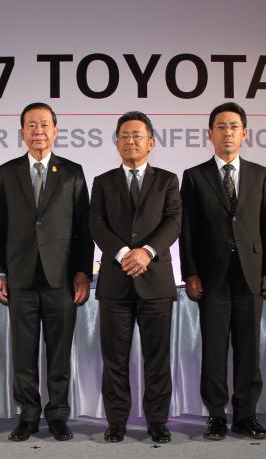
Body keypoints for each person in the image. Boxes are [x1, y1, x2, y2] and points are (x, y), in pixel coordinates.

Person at [0, 102, 93, 442]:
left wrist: (82, 272)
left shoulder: (73, 172)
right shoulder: (6, 172)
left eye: (44, 124)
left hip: (61, 279)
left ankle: (59, 414)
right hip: (19, 277)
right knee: (23, 353)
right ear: (22, 132)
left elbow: (83, 229)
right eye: (31, 125)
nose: (38, 131)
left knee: (59, 353)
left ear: (55, 130)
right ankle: (29, 415)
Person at [179, 102, 266, 440]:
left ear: (244, 133)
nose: (227, 132)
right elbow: (188, 230)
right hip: (212, 276)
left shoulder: (261, 174)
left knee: (249, 350)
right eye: (220, 127)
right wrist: (191, 271)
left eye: (233, 126)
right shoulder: (194, 176)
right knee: (214, 350)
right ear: (210, 134)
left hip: (251, 273)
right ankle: (216, 416)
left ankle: (246, 416)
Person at [90, 111, 181, 443]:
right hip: (115, 282)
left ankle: (157, 421)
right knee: (114, 359)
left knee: (157, 359)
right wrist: (122, 254)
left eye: (137, 135)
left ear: (151, 142)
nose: (130, 141)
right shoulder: (102, 182)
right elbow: (97, 225)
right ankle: (116, 421)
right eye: (124, 136)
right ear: (117, 143)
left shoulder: (167, 180)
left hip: (155, 282)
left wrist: (146, 252)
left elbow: (173, 221)